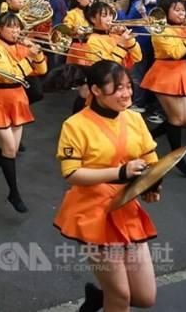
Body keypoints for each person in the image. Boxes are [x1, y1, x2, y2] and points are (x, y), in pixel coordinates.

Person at [54, 61, 160, 312]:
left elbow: (150, 157)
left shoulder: (134, 118)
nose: (126, 94)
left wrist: (152, 184)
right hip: (92, 212)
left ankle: (97, 298)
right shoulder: (75, 125)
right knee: (121, 296)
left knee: (145, 298)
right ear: (96, 90)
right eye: (118, 88)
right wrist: (120, 172)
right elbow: (71, 173)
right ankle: (108, 297)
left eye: (128, 87)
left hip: (126, 205)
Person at [0, 12, 47, 213]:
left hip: (17, 99)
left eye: (17, 27)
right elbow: (9, 76)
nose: (16, 31)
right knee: (9, 149)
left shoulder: (21, 46)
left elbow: (40, 71)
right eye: (10, 27)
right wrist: (30, 58)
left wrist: (38, 54)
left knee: (12, 150)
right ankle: (13, 193)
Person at [141, 0, 186, 178]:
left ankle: (147, 137)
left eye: (182, 10)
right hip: (164, 73)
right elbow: (174, 52)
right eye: (177, 10)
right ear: (166, 11)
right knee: (177, 120)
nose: (181, 13)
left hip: (182, 71)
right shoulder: (160, 28)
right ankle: (178, 159)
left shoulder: (185, 27)